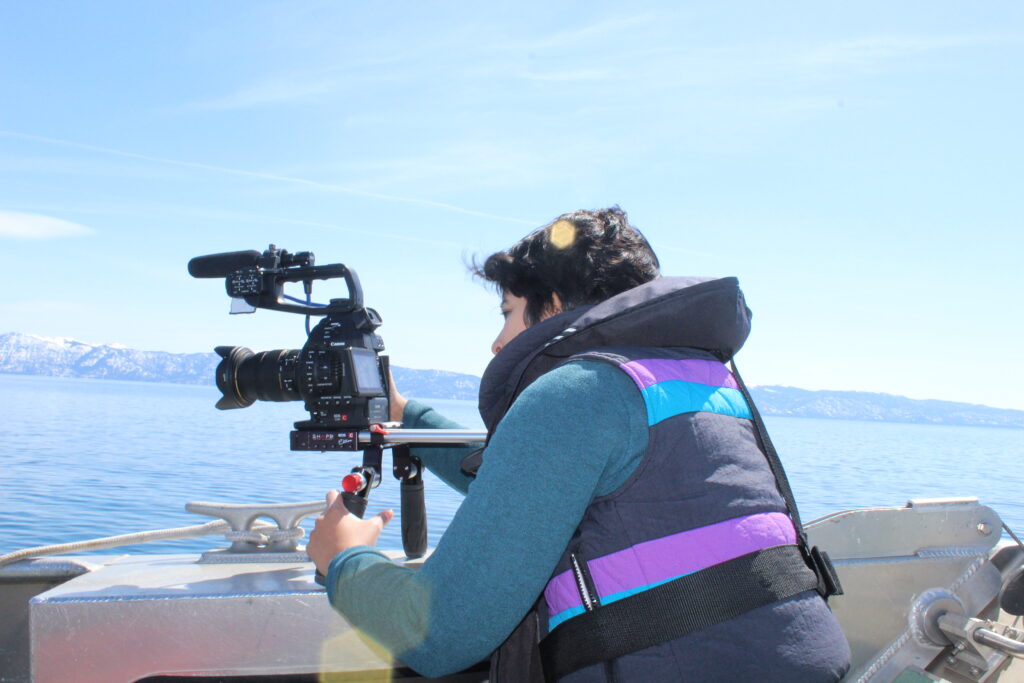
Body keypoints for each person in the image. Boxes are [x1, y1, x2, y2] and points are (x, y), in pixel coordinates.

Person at [307, 207, 851, 681]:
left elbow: (437, 634)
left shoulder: (576, 391)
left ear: (557, 303)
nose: (497, 341)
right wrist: (405, 415)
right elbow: (542, 491)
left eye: (508, 313)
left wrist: (343, 556)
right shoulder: (696, 381)